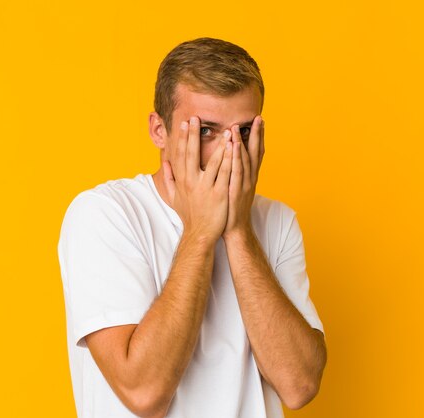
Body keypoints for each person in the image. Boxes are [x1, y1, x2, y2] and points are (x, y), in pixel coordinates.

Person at [57, 37, 327, 418]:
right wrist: (201, 230)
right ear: (159, 130)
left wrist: (237, 230)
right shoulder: (104, 214)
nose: (227, 151)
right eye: (205, 131)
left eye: (244, 132)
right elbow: (144, 392)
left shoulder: (277, 222)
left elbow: (298, 385)